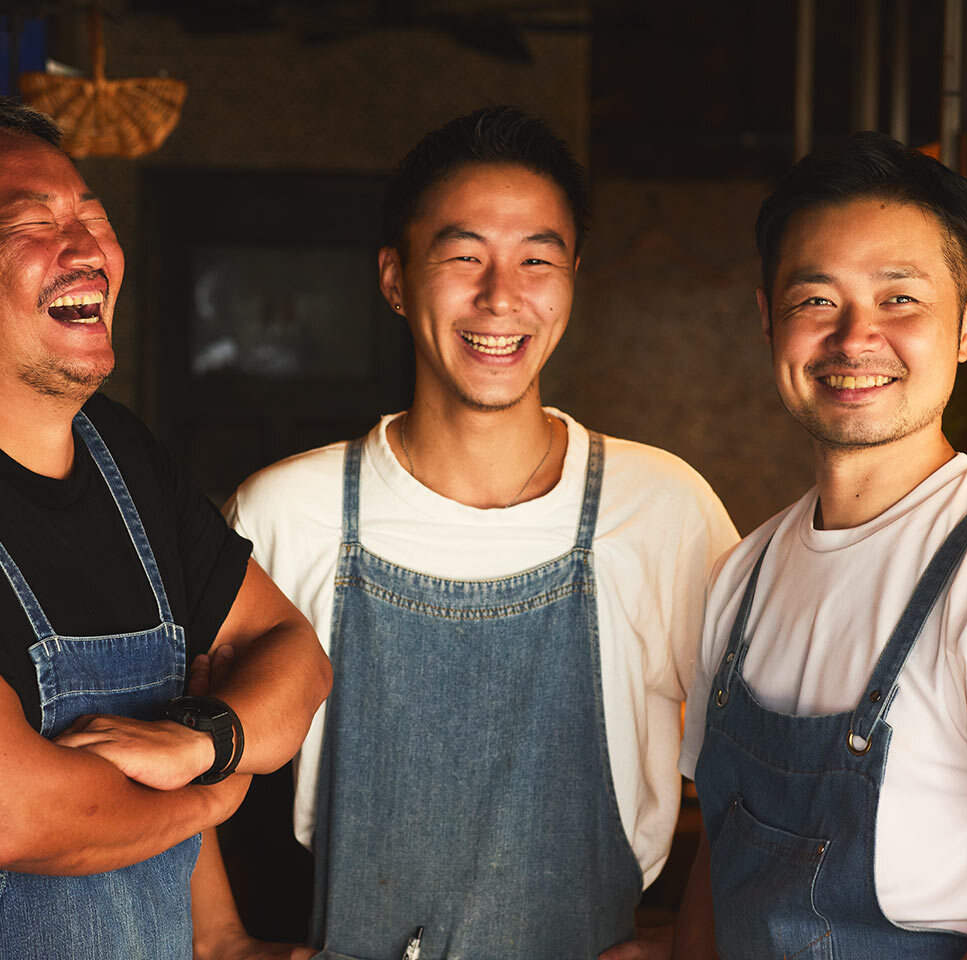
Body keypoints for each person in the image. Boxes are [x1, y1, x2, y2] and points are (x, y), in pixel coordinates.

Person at [190, 106, 738, 960]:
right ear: (395, 277)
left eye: (536, 260)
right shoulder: (288, 511)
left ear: (572, 278)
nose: (501, 296)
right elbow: (171, 735)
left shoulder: (660, 505)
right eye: (462, 256)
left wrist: (690, 945)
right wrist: (218, 941)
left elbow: (763, 767)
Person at [0, 95, 331, 959]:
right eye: (35, 223)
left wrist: (202, 741)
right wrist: (213, 787)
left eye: (92, 218)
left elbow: (294, 655)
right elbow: (7, 813)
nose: (89, 249)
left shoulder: (121, 454)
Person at [675, 132, 967, 959]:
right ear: (769, 319)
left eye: (899, 299)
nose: (855, 338)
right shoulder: (743, 575)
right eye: (816, 301)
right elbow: (716, 872)